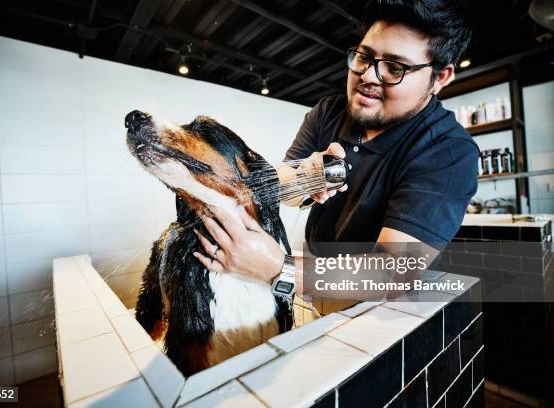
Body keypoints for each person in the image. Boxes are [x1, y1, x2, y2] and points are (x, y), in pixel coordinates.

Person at [193, 0, 478, 298]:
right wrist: (303, 179)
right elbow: (283, 190)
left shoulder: (447, 150)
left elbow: (393, 271)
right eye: (364, 58)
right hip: (317, 280)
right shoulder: (329, 112)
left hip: (394, 306)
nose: (367, 76)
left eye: (395, 68)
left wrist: (277, 269)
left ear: (440, 77)